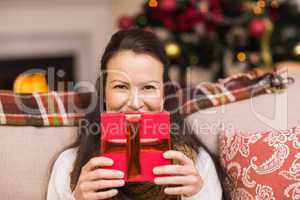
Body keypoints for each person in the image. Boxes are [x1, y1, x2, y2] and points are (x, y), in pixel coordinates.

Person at [47, 28, 222, 200]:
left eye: (148, 87)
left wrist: (198, 195)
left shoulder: (197, 165)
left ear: (163, 95)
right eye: (121, 87)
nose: (135, 103)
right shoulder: (68, 165)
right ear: (104, 94)